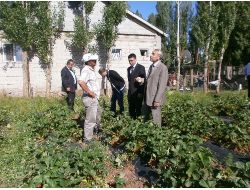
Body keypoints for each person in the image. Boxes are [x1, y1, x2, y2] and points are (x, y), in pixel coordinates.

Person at [78, 53, 101, 143]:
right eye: (93, 60)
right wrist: (90, 92)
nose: (95, 61)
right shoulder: (86, 70)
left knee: (96, 116)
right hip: (90, 98)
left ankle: (93, 133)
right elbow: (81, 82)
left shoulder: (91, 70)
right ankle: (87, 140)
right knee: (90, 120)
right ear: (88, 61)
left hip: (93, 99)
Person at [144, 49, 168, 126]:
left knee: (156, 119)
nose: (151, 55)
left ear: (158, 57)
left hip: (155, 98)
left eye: (153, 54)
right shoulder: (151, 66)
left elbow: (162, 86)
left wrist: (157, 100)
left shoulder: (162, 67)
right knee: (145, 117)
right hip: (147, 97)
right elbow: (150, 80)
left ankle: (157, 136)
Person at [127, 53, 146, 119]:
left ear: (135, 59)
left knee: (138, 108)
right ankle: (132, 121)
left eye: (131, 60)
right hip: (131, 93)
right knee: (131, 108)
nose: (130, 62)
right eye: (129, 60)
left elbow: (143, 82)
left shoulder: (141, 68)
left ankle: (138, 123)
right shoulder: (128, 69)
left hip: (138, 92)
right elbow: (130, 81)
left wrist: (141, 93)